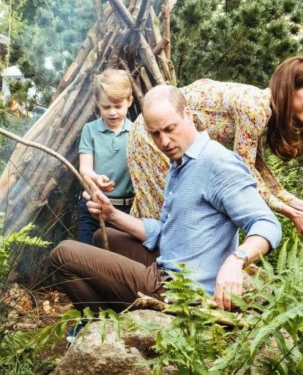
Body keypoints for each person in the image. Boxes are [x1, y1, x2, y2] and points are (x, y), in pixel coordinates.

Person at [51, 85, 281, 324]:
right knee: (102, 236)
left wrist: (236, 260)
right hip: (171, 264)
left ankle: (108, 325)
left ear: (189, 116)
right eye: (155, 134)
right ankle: (122, 319)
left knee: (63, 253)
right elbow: (169, 232)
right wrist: (112, 215)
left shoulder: (217, 162)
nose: (165, 141)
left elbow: (267, 224)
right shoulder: (180, 164)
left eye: (170, 129)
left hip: (181, 291)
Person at [127, 56, 303, 235]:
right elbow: (245, 172)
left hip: (165, 134)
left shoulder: (263, 107)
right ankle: (158, 273)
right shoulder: (255, 109)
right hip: (152, 133)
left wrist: (299, 205)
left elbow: (258, 167)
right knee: (168, 213)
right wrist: (286, 210)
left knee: (161, 210)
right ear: (291, 89)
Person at [77, 69, 134, 245]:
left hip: (126, 209)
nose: (112, 113)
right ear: (97, 104)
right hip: (94, 205)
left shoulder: (136, 132)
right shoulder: (90, 130)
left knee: (116, 261)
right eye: (106, 107)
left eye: (118, 106)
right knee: (85, 255)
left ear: (129, 101)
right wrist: (96, 178)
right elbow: (84, 168)